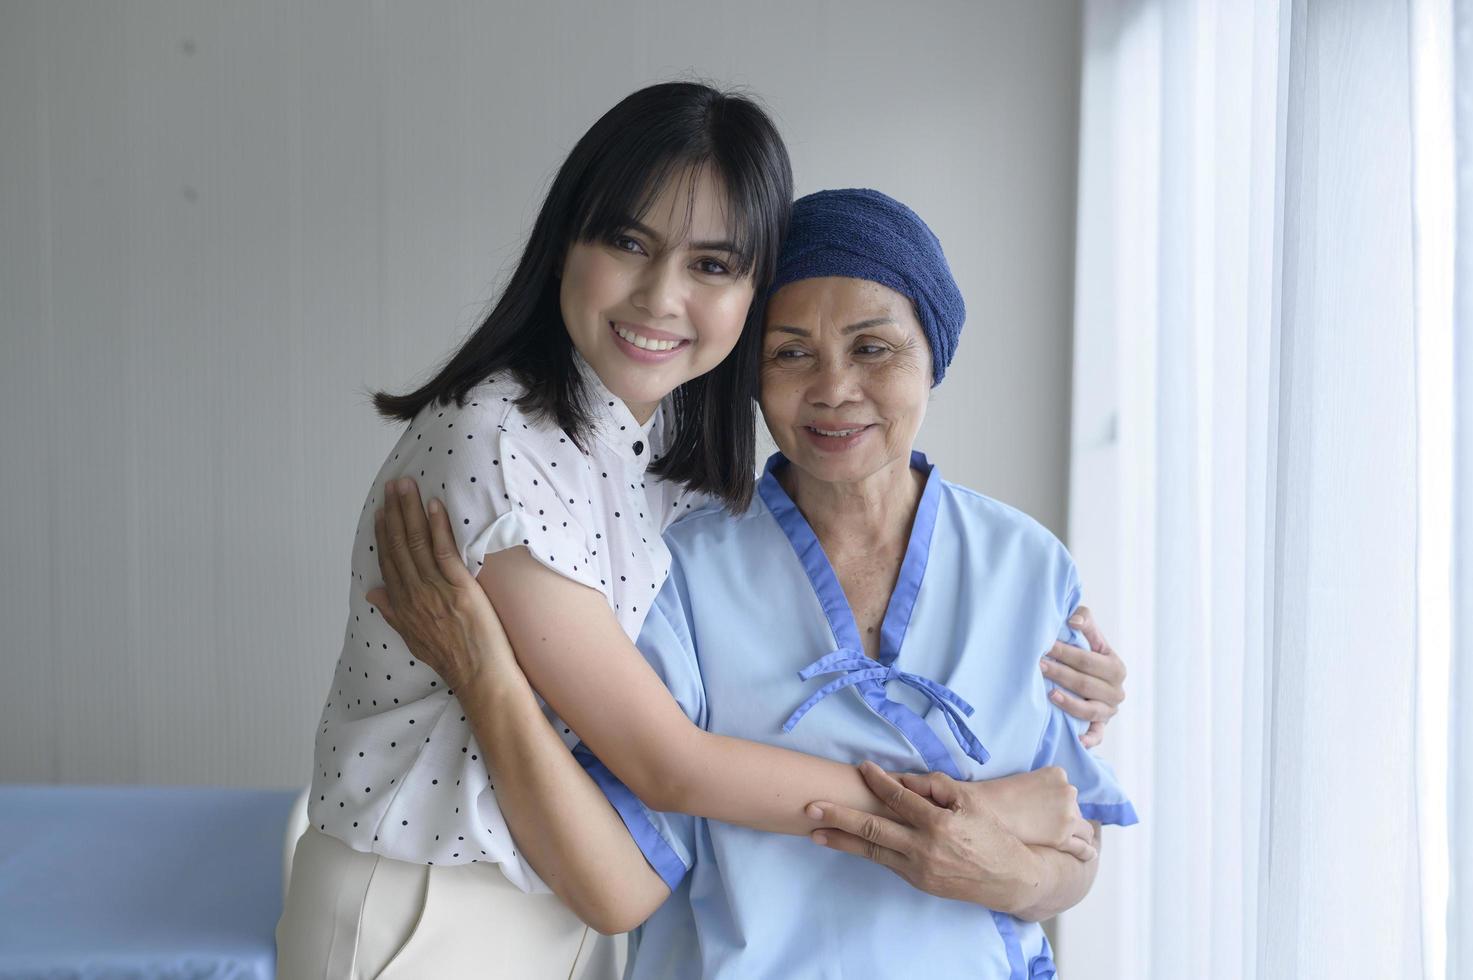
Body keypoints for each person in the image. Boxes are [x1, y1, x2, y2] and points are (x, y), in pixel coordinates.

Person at [369, 189, 1135, 977]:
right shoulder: (682, 569)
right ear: (751, 373)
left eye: (873, 349)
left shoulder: (1028, 563)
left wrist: (1020, 875)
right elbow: (627, 864)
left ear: (933, 353)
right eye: (790, 352)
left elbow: (1073, 847)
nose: (834, 388)